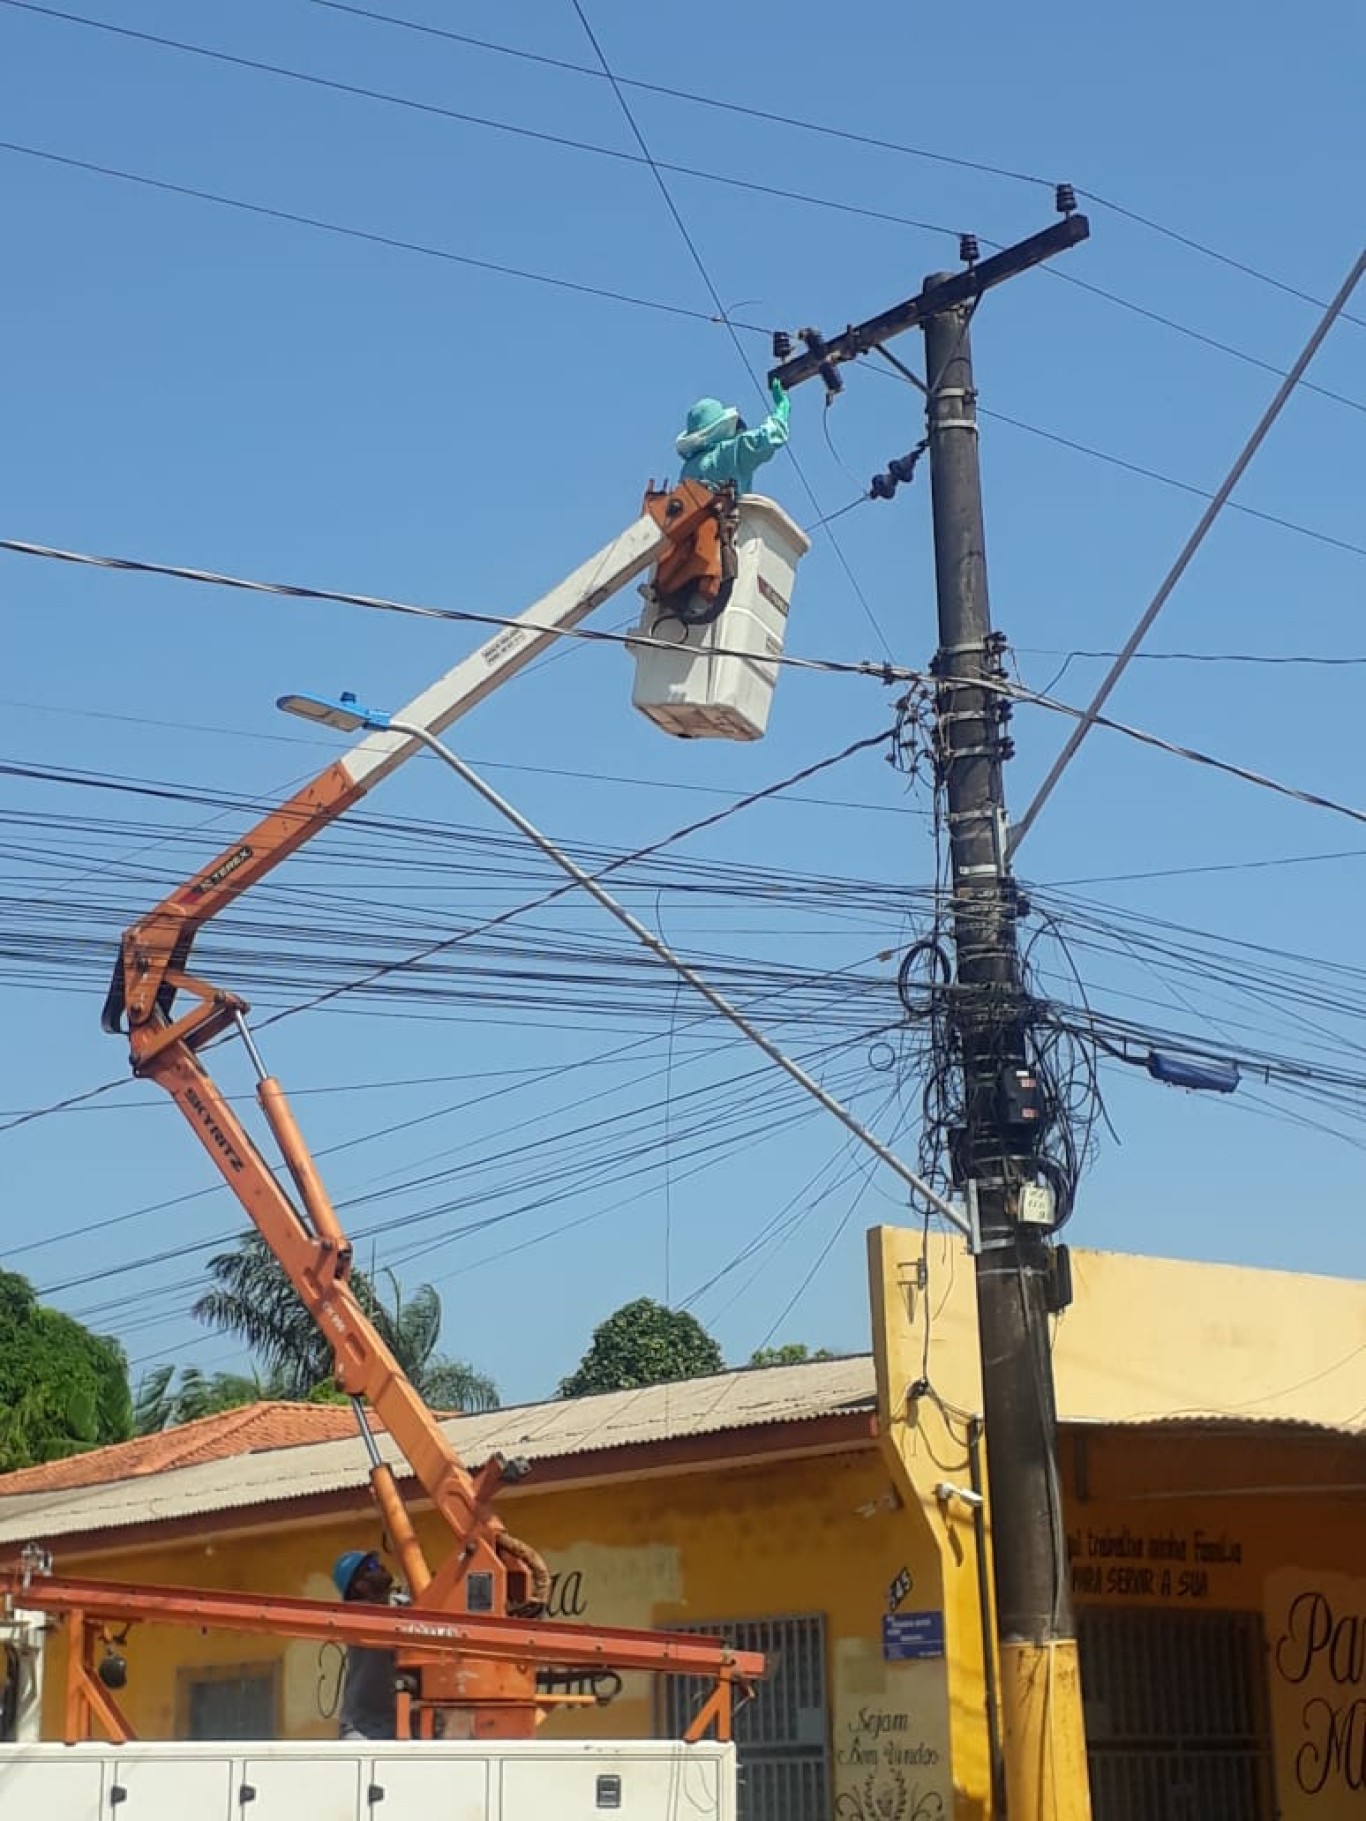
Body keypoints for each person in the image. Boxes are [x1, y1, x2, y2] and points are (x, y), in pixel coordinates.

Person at [676, 377, 790, 494]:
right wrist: (782, 409)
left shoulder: (686, 471)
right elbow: (768, 437)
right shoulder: (728, 453)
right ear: (722, 428)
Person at [333, 1548, 399, 1741]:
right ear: (360, 1585)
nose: (381, 1567)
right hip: (363, 1728)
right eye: (372, 1566)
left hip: (388, 1724)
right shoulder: (360, 1616)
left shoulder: (390, 1609)